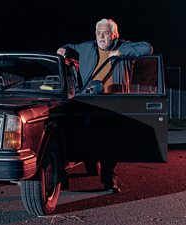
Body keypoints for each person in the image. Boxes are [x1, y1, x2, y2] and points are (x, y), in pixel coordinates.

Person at [57, 18, 154, 193]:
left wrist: (119, 53)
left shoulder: (124, 47)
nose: (101, 36)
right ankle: (61, 181)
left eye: (106, 33)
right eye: (99, 33)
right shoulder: (87, 47)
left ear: (115, 35)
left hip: (114, 104)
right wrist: (63, 49)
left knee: (111, 143)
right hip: (88, 102)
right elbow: (68, 47)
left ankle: (110, 182)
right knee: (77, 139)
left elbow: (147, 48)